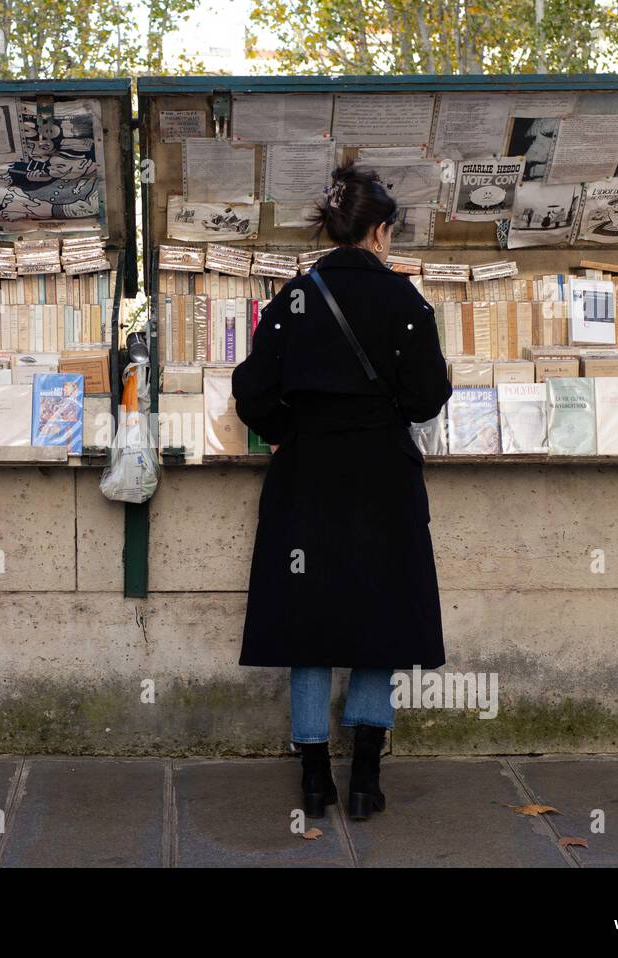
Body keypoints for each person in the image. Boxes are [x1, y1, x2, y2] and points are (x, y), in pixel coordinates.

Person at [231, 164, 452, 820]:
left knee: (309, 624)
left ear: (331, 227)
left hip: (307, 477)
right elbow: (426, 397)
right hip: (382, 477)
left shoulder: (292, 299)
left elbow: (251, 393)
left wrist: (285, 430)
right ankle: (365, 778)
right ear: (380, 231)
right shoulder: (407, 304)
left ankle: (312, 779)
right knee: (381, 617)